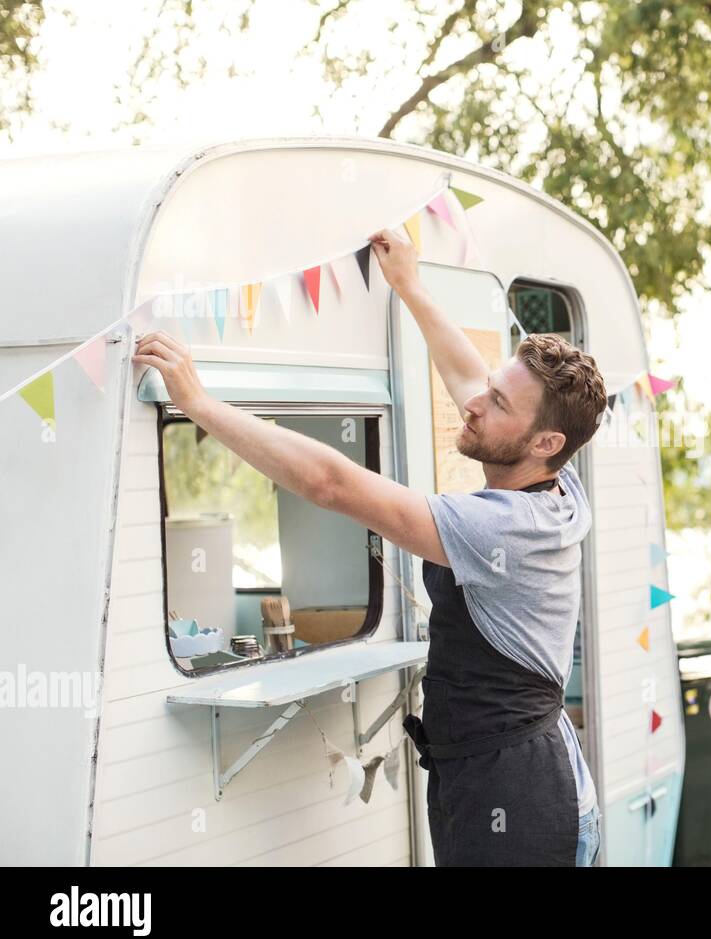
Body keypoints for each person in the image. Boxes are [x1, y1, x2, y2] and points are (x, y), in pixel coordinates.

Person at [131, 225, 606, 866]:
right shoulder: (558, 478)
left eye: (496, 404)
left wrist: (198, 403)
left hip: (515, 792)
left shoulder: (503, 526)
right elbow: (469, 373)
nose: (474, 404)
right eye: (490, 389)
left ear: (545, 442)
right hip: (507, 769)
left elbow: (331, 484)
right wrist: (410, 286)